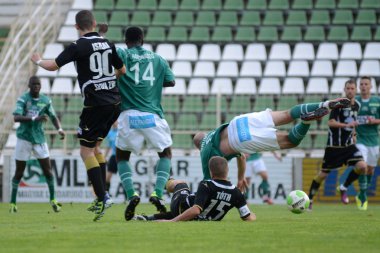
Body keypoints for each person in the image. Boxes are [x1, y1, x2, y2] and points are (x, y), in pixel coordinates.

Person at [31, 10, 126, 221]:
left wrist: (37, 60)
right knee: (96, 148)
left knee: (85, 152)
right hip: (114, 103)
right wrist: (109, 80)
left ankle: (102, 196)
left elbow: (53, 66)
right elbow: (123, 70)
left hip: (95, 105)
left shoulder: (77, 46)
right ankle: (104, 195)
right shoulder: (107, 43)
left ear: (76, 27)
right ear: (94, 23)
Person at [193, 97, 351, 190]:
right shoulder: (212, 133)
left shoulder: (205, 153)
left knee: (290, 141)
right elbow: (241, 157)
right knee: (287, 113)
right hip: (240, 121)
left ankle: (305, 122)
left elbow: (208, 184)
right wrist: (242, 177)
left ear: (198, 146)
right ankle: (324, 104)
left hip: (240, 139)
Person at [113, 26, 175, 221]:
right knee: (165, 153)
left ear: (126, 40)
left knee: (122, 157)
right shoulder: (158, 59)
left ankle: (132, 195)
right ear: (142, 39)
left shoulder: (122, 53)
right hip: (152, 116)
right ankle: (157, 192)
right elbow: (171, 82)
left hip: (128, 116)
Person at [134, 156, 256, 222]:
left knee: (182, 184)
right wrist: (253, 216)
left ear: (211, 172)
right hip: (197, 217)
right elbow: (248, 217)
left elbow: (196, 211)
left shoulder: (207, 184)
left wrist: (172, 222)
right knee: (182, 209)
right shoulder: (237, 193)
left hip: (182, 207)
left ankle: (168, 179)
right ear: (227, 171)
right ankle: (148, 218)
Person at [307, 79, 367, 210]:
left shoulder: (357, 105)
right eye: (348, 88)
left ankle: (343, 186)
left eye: (352, 88)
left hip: (348, 146)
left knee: (362, 166)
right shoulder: (338, 104)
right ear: (344, 90)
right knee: (322, 174)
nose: (350, 91)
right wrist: (346, 125)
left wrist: (354, 134)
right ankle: (309, 199)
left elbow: (353, 122)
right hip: (334, 147)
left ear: (355, 90)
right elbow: (331, 123)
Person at [10, 76, 65, 213]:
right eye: (34, 84)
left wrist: (59, 129)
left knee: (48, 170)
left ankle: (53, 199)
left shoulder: (45, 100)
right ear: (29, 85)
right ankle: (12, 203)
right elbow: (16, 117)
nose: (36, 86)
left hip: (39, 139)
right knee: (19, 171)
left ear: (41, 86)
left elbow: (53, 116)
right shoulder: (23, 99)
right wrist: (35, 118)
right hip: (24, 138)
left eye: (38, 84)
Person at [339, 76, 380, 210]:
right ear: (359, 87)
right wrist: (353, 134)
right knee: (362, 165)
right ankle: (363, 196)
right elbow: (350, 120)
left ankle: (359, 194)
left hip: (374, 140)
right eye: (361, 84)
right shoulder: (355, 103)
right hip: (360, 140)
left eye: (366, 84)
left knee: (370, 169)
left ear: (371, 87)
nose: (363, 86)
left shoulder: (377, 101)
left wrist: (374, 121)